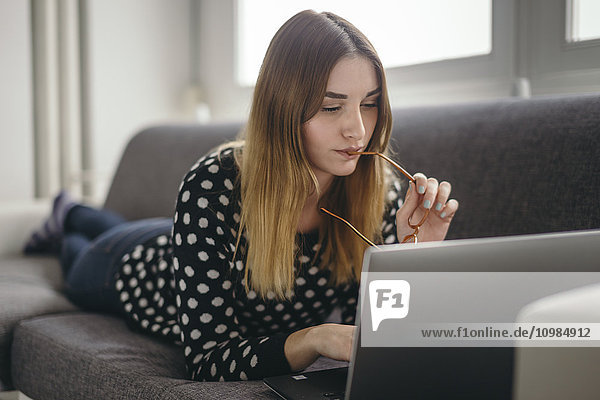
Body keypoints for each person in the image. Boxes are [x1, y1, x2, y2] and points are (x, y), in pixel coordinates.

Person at [24, 10, 458, 382]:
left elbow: (387, 336)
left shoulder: (383, 192)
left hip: (175, 237)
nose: (358, 130)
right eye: (331, 107)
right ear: (283, 109)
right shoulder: (212, 185)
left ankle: (76, 213)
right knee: (76, 250)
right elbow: (208, 361)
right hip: (129, 265)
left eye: (369, 103)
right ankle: (68, 216)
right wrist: (312, 338)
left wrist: (415, 257)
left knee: (111, 223)